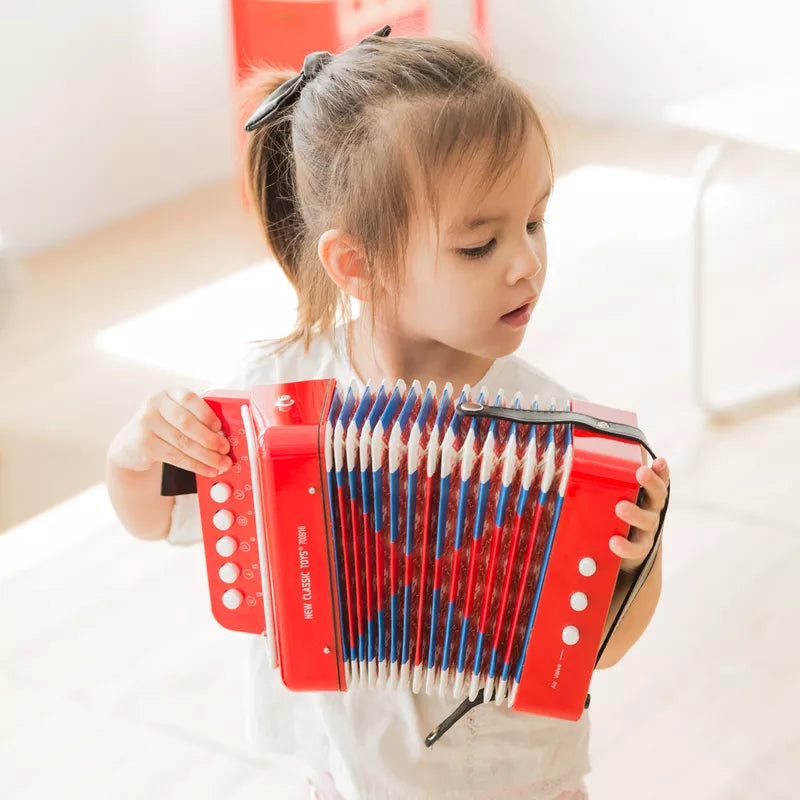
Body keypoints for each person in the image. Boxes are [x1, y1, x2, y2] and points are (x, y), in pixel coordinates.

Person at [106, 28, 669, 800]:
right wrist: (137, 455)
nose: (525, 262)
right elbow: (155, 516)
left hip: (517, 779)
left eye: (535, 223)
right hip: (345, 774)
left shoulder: (554, 434)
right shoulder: (277, 398)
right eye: (480, 244)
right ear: (357, 264)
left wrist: (638, 562)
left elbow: (600, 646)